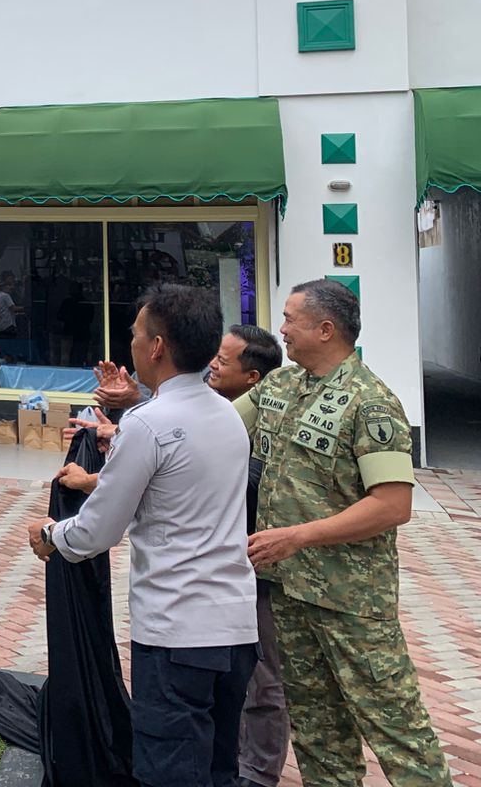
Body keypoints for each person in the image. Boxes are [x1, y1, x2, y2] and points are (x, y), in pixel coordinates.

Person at [27, 285, 257, 787]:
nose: (129, 343)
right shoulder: (227, 415)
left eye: (134, 334)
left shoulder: (149, 425)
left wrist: (50, 533)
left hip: (177, 633)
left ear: (156, 347)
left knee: (170, 771)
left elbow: (97, 530)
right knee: (219, 768)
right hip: (236, 628)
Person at [240, 280, 452, 786]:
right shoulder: (280, 387)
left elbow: (393, 505)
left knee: (395, 728)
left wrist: (297, 537)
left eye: (291, 319)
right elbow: (212, 427)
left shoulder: (371, 403)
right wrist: (131, 417)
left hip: (350, 601)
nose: (282, 329)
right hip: (291, 593)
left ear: (325, 329)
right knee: (317, 731)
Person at [205, 324, 288, 787]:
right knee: (230, 667)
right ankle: (232, 756)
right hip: (226, 566)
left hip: (264, 567)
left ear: (254, 378)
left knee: (263, 677)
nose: (213, 364)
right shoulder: (217, 410)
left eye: (223, 358)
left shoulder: (266, 414)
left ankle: (259, 772)